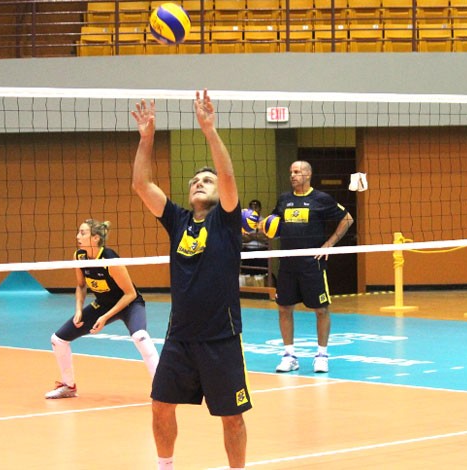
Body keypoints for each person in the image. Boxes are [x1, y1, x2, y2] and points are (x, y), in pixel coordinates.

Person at [132, 90, 251, 470]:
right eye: (195, 180)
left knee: (231, 417)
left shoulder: (226, 221)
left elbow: (228, 176)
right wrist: (146, 139)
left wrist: (209, 130)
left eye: (207, 180)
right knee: (160, 405)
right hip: (180, 336)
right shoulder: (179, 220)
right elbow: (141, 185)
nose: (200, 183)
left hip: (220, 337)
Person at [44, 218, 160, 399]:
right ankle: (69, 386)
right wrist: (79, 310)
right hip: (103, 304)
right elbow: (81, 285)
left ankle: (162, 387)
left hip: (129, 304)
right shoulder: (79, 256)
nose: (77, 236)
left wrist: (105, 318)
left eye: (83, 233)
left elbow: (130, 293)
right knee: (57, 339)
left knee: (140, 336)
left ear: (96, 238)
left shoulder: (109, 259)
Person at [271, 161, 354, 374]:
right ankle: (289, 356)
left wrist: (329, 244)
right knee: (284, 308)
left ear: (308, 174)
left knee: (321, 309)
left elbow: (347, 219)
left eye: (297, 172)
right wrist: (260, 225)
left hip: (312, 264)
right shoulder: (284, 199)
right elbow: (275, 226)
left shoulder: (321, 199)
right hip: (287, 263)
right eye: (291, 172)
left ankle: (322, 355)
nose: (293, 175)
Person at [241, 199, 273, 286]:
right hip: (247, 251)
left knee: (261, 276)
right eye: (251, 207)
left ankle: (261, 295)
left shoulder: (264, 222)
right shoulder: (244, 221)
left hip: (261, 251)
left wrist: (251, 236)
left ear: (260, 208)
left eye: (256, 207)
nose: (254, 209)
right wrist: (256, 235)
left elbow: (265, 238)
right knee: (246, 275)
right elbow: (243, 238)